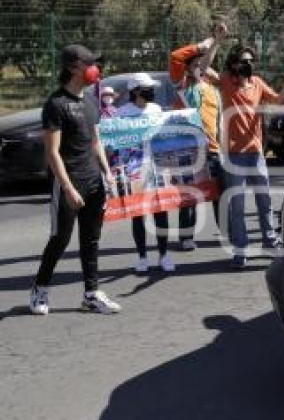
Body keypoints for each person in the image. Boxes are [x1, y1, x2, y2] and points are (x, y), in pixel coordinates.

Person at [29, 44, 121, 315]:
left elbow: (95, 141)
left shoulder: (91, 101)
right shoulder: (56, 104)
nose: (96, 68)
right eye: (89, 63)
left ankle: (91, 294)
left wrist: (107, 172)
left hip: (94, 182)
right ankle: (40, 289)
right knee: (60, 238)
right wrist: (67, 188)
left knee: (91, 240)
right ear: (73, 68)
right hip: (68, 182)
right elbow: (52, 152)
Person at [218, 44, 284, 268]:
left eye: (250, 61)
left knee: (264, 200)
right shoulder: (227, 81)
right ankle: (240, 251)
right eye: (243, 60)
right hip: (234, 154)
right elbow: (203, 68)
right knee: (237, 206)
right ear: (234, 63)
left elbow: (278, 102)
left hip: (256, 153)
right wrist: (217, 42)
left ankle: (270, 241)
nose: (247, 64)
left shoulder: (257, 83)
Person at [170, 24, 226, 250]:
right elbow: (175, 56)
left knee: (220, 193)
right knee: (189, 195)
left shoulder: (213, 90)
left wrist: (222, 147)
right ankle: (186, 237)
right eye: (192, 65)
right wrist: (210, 41)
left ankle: (225, 232)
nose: (197, 68)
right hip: (188, 150)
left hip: (213, 150)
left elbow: (220, 122)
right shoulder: (182, 87)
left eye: (199, 66)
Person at [118, 73, 176, 273]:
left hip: (157, 166)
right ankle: (142, 256)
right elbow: (115, 143)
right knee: (138, 213)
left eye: (151, 88)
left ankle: (164, 254)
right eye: (147, 88)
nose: (151, 91)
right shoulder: (121, 113)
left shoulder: (156, 109)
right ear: (135, 91)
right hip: (134, 169)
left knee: (161, 210)